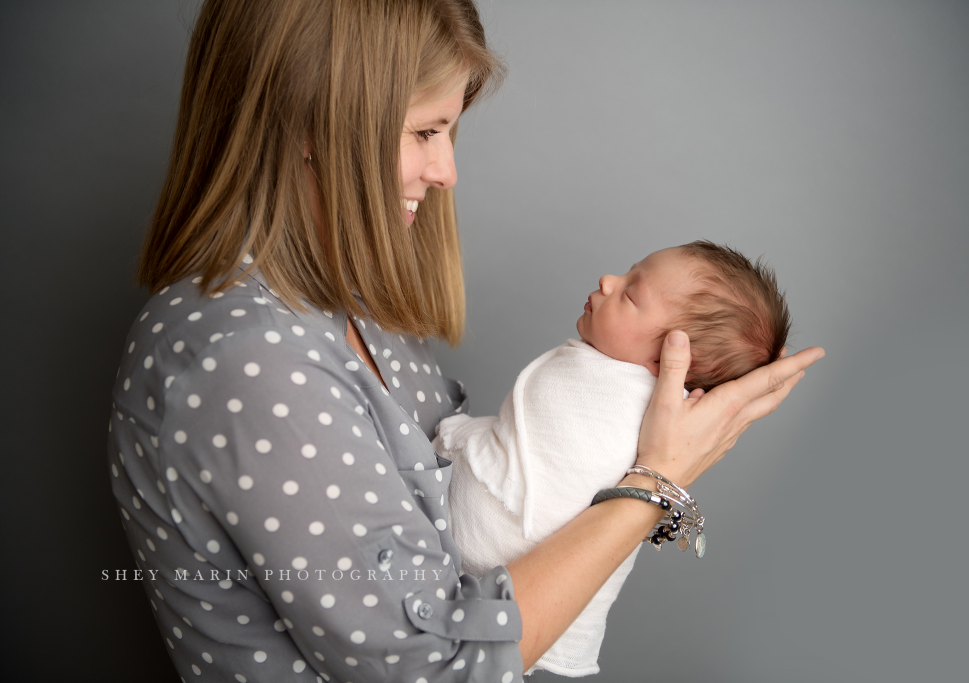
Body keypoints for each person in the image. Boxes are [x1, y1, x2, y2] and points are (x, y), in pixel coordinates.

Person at [107, 1, 825, 681]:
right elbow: (439, 664)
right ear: (307, 123)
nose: (446, 171)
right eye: (424, 132)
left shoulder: (348, 307)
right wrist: (655, 481)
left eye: (448, 132)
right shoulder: (247, 363)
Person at [436, 241, 791, 676]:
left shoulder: (624, 403)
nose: (607, 281)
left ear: (667, 359)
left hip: (502, 551)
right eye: (626, 274)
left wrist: (458, 436)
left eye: (629, 293)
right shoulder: (623, 392)